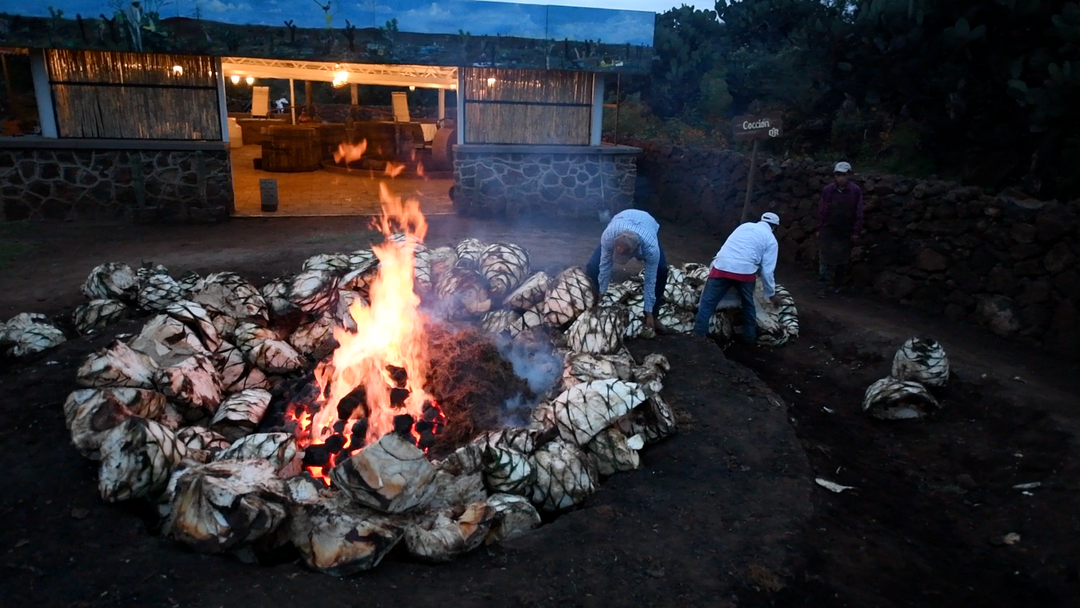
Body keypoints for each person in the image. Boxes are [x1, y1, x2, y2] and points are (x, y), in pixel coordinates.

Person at [692, 212, 782, 343]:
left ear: (761, 220)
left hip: (721, 266)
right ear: (776, 227)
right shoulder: (771, 240)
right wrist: (771, 294)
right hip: (745, 272)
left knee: (707, 304)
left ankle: (698, 337)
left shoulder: (744, 227)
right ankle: (749, 339)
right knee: (748, 305)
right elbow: (767, 271)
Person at [586, 209, 669, 334]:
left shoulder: (650, 248)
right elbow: (604, 267)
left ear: (636, 249)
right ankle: (590, 304)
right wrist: (601, 295)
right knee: (593, 266)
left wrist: (649, 312)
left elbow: (650, 280)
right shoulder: (609, 236)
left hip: (647, 224)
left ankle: (654, 315)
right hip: (623, 217)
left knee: (661, 271)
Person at [817, 161, 864, 298]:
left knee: (842, 260)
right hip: (829, 228)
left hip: (845, 229)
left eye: (844, 175)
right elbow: (822, 209)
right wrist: (820, 227)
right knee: (825, 259)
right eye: (838, 175)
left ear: (849, 175)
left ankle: (838, 286)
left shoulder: (855, 191)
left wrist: (856, 231)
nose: (841, 178)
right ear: (834, 176)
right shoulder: (828, 190)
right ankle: (823, 287)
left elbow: (859, 212)